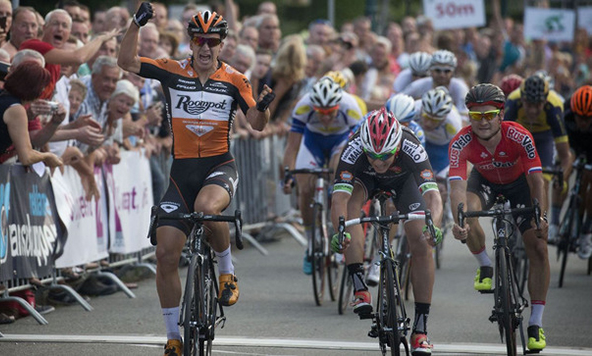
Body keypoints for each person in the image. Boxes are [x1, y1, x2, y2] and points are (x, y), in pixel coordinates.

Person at [117, 5, 274, 355]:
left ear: (222, 44)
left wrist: (263, 107)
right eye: (199, 40)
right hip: (181, 172)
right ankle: (173, 336)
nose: (205, 47)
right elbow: (126, 62)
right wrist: (135, 24)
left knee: (206, 208)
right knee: (165, 254)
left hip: (220, 165)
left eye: (212, 41)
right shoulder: (172, 70)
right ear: (190, 42)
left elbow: (257, 123)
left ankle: (226, 271)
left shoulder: (236, 79)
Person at [330, 107, 443, 356]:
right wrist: (340, 230)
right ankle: (359, 286)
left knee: (422, 244)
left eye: (386, 157)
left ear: (397, 147)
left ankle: (421, 330)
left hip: (404, 183)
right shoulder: (354, 147)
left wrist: (433, 225)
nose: (379, 163)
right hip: (364, 181)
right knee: (349, 216)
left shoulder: (411, 145)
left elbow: (433, 195)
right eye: (372, 157)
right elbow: (338, 198)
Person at [448, 83, 549, 352]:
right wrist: (458, 221)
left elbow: (537, 181)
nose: (483, 122)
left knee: (538, 246)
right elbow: (457, 186)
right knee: (468, 214)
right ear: (469, 117)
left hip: (519, 185)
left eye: (489, 114)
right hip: (485, 182)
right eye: (476, 116)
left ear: (500, 114)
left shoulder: (519, 136)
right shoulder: (461, 141)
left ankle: (536, 324)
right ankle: (485, 265)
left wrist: (541, 216)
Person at [281, 76, 363, 274]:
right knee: (305, 188)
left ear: (338, 106)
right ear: (314, 106)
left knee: (338, 169)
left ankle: (338, 235)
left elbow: (357, 149)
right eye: (321, 113)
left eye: (330, 112)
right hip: (313, 143)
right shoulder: (303, 107)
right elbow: (292, 147)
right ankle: (311, 244)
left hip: (340, 141)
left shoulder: (350, 106)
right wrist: (288, 175)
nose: (326, 117)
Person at [504, 74, 572, 245]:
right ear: (522, 99)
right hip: (519, 134)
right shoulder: (513, 101)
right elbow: (501, 142)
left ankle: (540, 222)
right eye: (529, 104)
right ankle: (508, 217)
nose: (533, 110)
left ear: (545, 101)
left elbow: (565, 156)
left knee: (543, 180)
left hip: (544, 138)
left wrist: (562, 178)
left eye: (538, 105)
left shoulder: (554, 106)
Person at [0, 61, 63, 169]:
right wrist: (48, 156)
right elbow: (26, 157)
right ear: (35, 89)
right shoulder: (16, 110)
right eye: (43, 88)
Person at [562, 85, 592, 258]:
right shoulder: (566, 112)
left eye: (587, 119)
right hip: (573, 144)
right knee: (565, 172)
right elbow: (560, 142)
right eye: (579, 117)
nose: (582, 122)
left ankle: (586, 231)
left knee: (589, 178)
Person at [401, 50, 469, 120]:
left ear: (453, 72)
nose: (442, 75)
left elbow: (464, 116)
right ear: (430, 70)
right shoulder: (419, 85)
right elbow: (400, 100)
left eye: (446, 71)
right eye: (438, 70)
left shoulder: (460, 88)